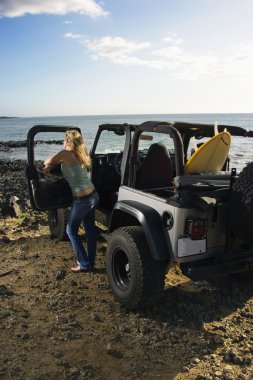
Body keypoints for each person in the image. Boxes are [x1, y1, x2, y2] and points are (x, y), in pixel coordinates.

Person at [44, 129, 99, 273]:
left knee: (71, 230)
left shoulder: (65, 154)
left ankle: (84, 264)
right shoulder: (82, 154)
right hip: (93, 195)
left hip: (82, 200)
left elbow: (48, 161)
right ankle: (90, 262)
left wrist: (48, 165)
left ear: (67, 141)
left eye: (64, 139)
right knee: (90, 230)